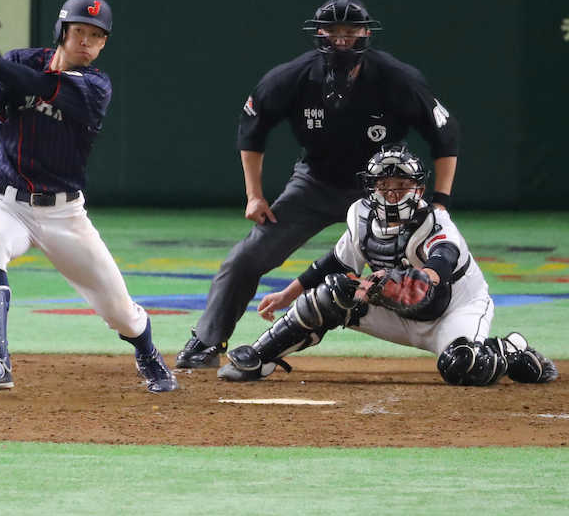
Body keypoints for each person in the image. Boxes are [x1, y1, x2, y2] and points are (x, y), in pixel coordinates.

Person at [176, 0, 459, 370]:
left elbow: (445, 134)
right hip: (315, 184)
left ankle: (458, 338)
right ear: (319, 34)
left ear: (365, 34)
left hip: (383, 192)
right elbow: (252, 128)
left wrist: (440, 199)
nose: (342, 39)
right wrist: (254, 195)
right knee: (247, 257)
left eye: (351, 30)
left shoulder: (397, 79)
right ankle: (208, 341)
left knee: (429, 264)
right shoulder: (293, 77)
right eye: (333, 30)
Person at [0, 0, 177, 394]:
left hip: (64, 213)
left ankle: (146, 352)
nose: (87, 42)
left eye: (97, 36)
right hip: (7, 199)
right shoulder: (21, 60)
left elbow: (39, 85)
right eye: (80, 32)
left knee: (120, 313)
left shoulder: (95, 86)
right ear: (62, 31)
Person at [217, 144, 559, 385]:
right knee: (333, 293)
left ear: (419, 189)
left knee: (464, 366)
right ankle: (259, 359)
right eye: (384, 186)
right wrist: (288, 294)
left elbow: (439, 266)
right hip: (396, 312)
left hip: (454, 310)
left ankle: (507, 347)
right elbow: (335, 261)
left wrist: (407, 278)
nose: (392, 194)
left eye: (401, 185)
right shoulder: (360, 216)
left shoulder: (437, 223)